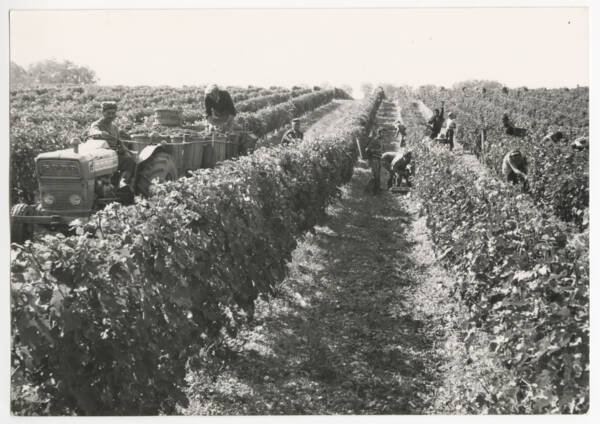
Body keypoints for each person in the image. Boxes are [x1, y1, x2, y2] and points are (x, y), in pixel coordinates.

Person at [88, 101, 135, 186]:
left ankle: (123, 183)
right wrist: (100, 133)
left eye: (113, 113)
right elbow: (93, 131)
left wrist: (127, 151)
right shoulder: (97, 124)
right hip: (101, 156)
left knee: (130, 161)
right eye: (108, 113)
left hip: (114, 155)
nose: (111, 116)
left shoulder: (114, 127)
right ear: (103, 113)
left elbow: (119, 141)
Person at [364, 128, 385, 193]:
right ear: (379, 133)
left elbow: (382, 149)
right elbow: (367, 149)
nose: (384, 134)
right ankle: (369, 190)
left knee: (378, 175)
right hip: (374, 159)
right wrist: (374, 151)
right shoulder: (375, 140)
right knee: (375, 175)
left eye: (384, 133)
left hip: (379, 158)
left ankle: (377, 188)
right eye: (382, 132)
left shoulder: (381, 140)